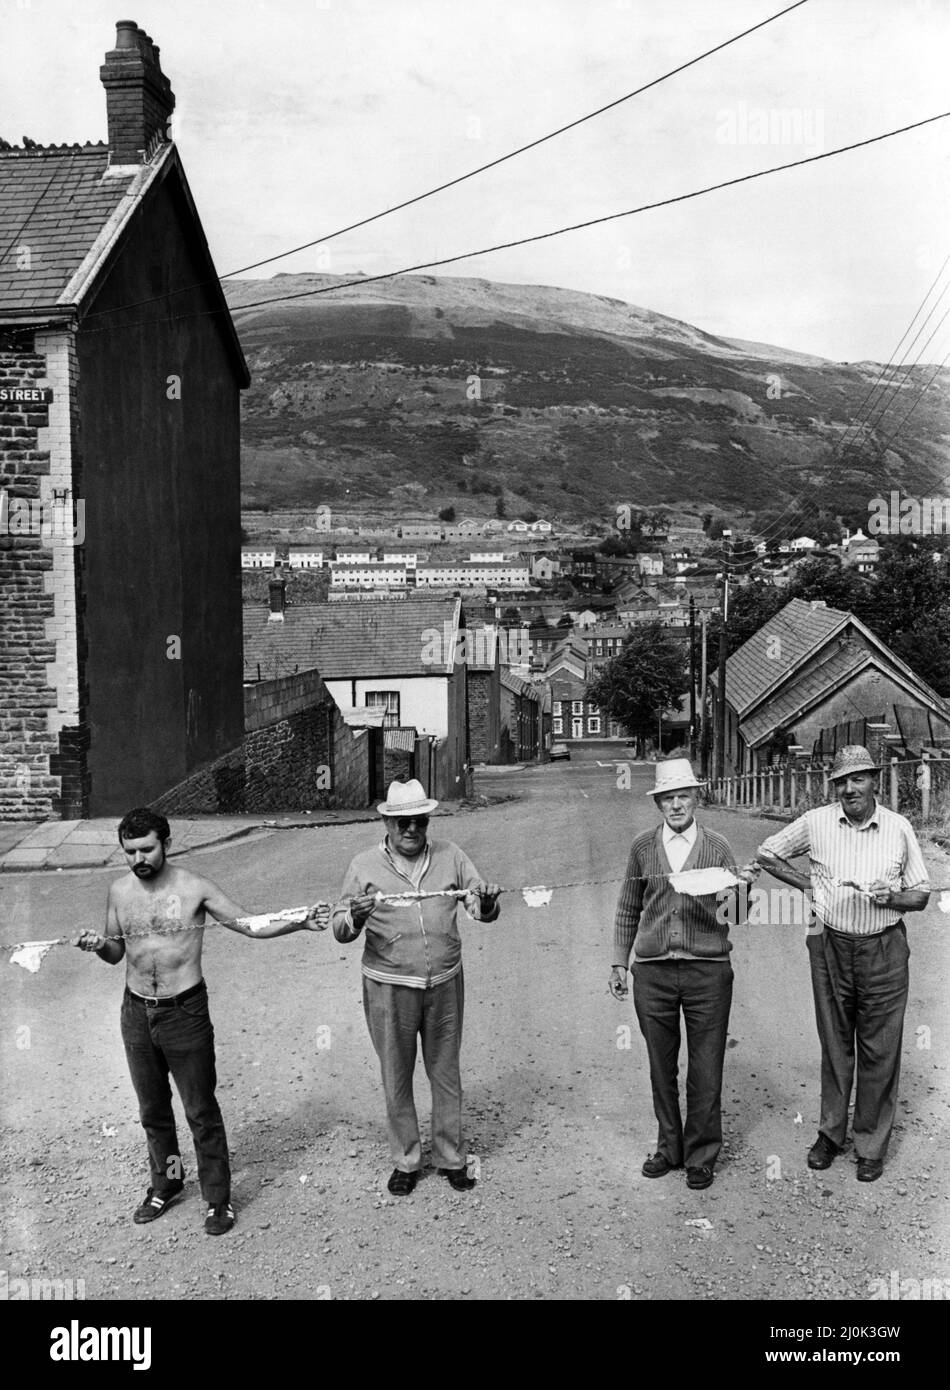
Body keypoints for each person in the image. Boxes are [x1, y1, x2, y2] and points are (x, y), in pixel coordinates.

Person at [74, 806, 327, 1234]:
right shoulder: (119, 892)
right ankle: (168, 1182)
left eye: (147, 849)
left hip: (184, 1011)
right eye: (130, 852)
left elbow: (249, 924)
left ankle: (217, 1199)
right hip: (136, 1012)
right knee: (153, 1110)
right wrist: (98, 945)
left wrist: (300, 921)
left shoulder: (195, 888)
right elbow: (117, 952)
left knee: (200, 1109)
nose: (139, 859)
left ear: (166, 844)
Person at [756, 746, 930, 1182]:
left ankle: (870, 1144)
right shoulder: (816, 823)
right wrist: (809, 884)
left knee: (880, 1048)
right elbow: (767, 853)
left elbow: (922, 894)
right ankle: (831, 1134)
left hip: (883, 949)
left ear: (874, 780)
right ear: (833, 786)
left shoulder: (898, 827)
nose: (850, 788)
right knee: (835, 1043)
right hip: (830, 946)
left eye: (858, 779)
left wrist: (893, 898)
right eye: (841, 781)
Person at [332, 779, 500, 1195]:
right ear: (387, 823)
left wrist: (490, 901)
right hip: (389, 986)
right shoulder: (363, 865)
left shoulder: (451, 855)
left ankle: (451, 1157)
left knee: (445, 1072)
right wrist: (353, 915)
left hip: (444, 981)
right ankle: (406, 1161)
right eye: (402, 822)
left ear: (428, 822)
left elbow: (479, 907)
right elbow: (339, 929)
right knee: (397, 1074)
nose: (411, 830)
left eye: (419, 822)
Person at [609, 757, 751, 1191]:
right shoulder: (642, 847)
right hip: (652, 972)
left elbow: (737, 915)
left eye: (682, 796)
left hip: (707, 972)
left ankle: (702, 1154)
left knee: (706, 1067)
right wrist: (619, 960)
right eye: (667, 798)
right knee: (660, 1064)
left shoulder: (718, 847)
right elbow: (628, 906)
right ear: (658, 804)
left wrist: (743, 889)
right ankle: (669, 1147)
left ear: (696, 797)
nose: (676, 806)